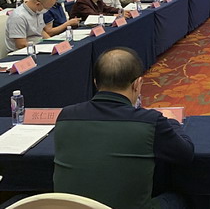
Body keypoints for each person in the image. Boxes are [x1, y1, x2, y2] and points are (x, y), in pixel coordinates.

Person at [54, 48, 194, 209]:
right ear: (137, 84)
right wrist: (172, 121)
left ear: (95, 83)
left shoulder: (65, 116)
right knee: (182, 198)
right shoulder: (150, 121)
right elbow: (186, 154)